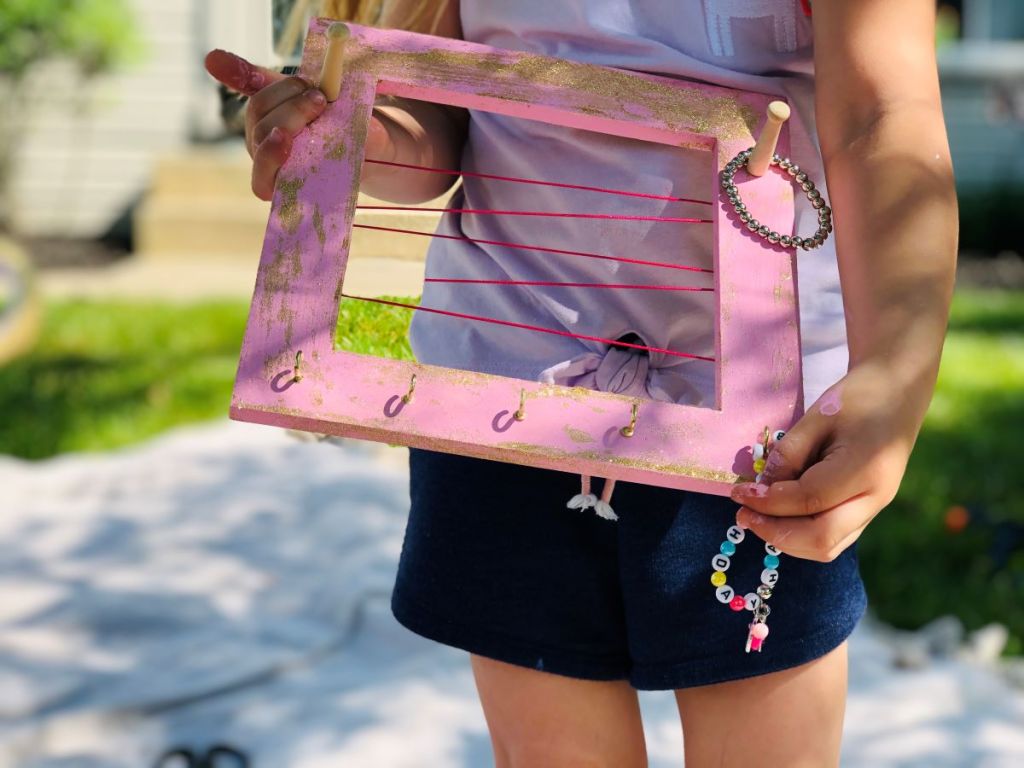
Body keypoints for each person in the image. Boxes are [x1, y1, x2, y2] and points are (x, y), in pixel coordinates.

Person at [205, 0, 957, 764]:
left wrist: (894, 372)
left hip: (759, 422)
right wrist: (346, 135)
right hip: (497, 398)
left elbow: (880, 114)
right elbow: (435, 120)